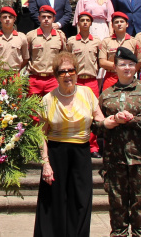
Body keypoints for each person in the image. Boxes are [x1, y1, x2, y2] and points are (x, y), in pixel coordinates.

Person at [34, 51, 107, 237]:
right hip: (56, 153)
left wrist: (115, 119)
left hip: (81, 153)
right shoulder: (47, 99)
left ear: (77, 72)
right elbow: (41, 134)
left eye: (71, 70)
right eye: (62, 72)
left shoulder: (87, 93)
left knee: (80, 200)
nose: (67, 75)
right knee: (55, 202)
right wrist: (45, 164)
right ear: (56, 75)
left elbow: (100, 120)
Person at [98, 46, 141, 237]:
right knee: (117, 206)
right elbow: (97, 125)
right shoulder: (107, 94)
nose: (126, 68)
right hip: (115, 159)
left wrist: (130, 119)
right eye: (122, 65)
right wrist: (111, 122)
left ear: (136, 67)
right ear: (115, 68)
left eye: (130, 64)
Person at [66, 12, 105, 157]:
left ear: (91, 23)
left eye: (87, 20)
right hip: (75, 81)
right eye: (82, 20)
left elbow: (100, 61)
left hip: (91, 81)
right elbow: (67, 60)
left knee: (92, 113)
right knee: (72, 111)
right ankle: (73, 142)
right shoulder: (71, 41)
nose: (84, 23)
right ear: (77, 23)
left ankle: (93, 146)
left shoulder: (97, 41)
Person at [26, 5, 67, 96]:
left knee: (52, 107)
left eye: (49, 17)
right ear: (39, 18)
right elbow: (26, 57)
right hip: (35, 78)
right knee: (33, 108)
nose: (46, 19)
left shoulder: (60, 36)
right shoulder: (31, 35)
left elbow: (63, 57)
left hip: (52, 79)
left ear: (53, 19)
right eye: (43, 17)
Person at [100, 12, 137, 90]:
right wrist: (120, 66)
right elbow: (102, 62)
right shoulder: (106, 41)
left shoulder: (134, 41)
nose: (119, 24)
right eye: (116, 22)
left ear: (127, 24)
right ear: (112, 26)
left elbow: (138, 62)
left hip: (129, 77)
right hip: (111, 77)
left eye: (122, 22)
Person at [0, 7, 29, 71]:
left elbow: (25, 59)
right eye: (4, 17)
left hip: (14, 75)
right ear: (0, 19)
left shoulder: (22, 37)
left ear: (14, 19)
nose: (7, 19)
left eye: (10, 17)